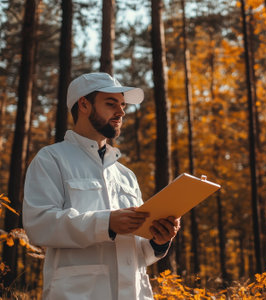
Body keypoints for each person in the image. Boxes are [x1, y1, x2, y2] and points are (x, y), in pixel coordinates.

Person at [23, 72, 181, 300]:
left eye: (123, 105)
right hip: (78, 294)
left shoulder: (126, 176)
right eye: (111, 103)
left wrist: (158, 241)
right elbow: (39, 224)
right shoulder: (51, 159)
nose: (121, 112)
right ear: (84, 104)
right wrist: (106, 223)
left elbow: (139, 253)